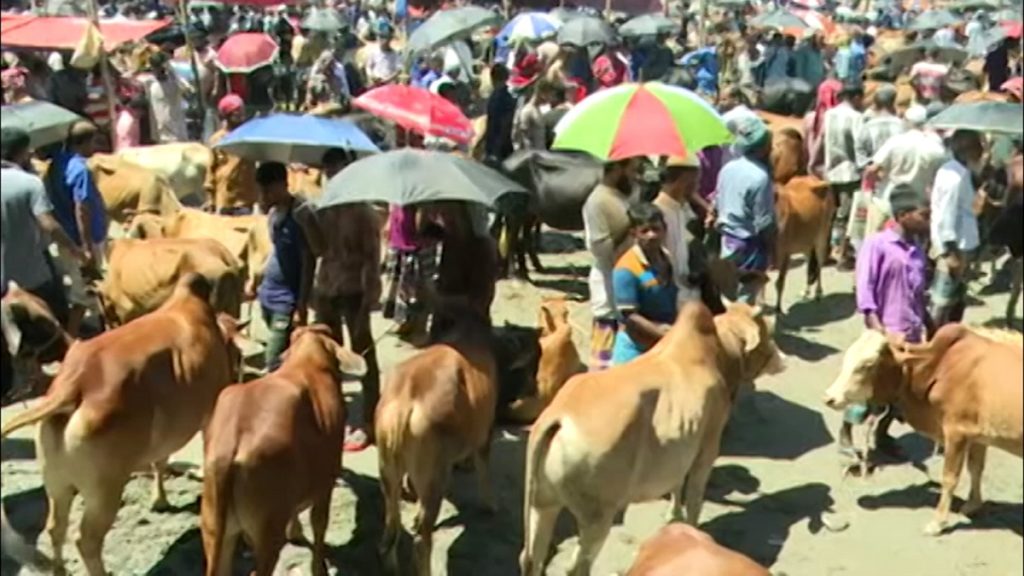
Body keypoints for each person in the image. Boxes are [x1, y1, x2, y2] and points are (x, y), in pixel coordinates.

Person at [844, 184, 931, 458]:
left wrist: (929, 326)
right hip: (885, 332)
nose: (928, 221)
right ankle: (846, 437)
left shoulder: (917, 249)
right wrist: (879, 330)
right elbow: (865, 289)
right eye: (923, 215)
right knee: (868, 390)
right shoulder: (877, 245)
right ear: (903, 215)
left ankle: (882, 435)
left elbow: (918, 294)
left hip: (911, 335)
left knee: (899, 393)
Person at [311, 148, 381, 452]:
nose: (333, 176)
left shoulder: (363, 212)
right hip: (327, 287)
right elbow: (319, 249)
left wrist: (369, 298)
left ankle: (370, 419)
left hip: (355, 290)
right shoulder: (322, 207)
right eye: (328, 172)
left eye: (337, 170)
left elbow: (372, 258)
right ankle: (332, 414)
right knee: (328, 355)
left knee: (362, 355)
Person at [1, 126, 84, 326]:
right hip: (33, 277)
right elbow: (49, 225)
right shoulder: (30, 183)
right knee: (55, 322)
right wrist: (75, 250)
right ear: (21, 152)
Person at [47, 121, 108, 337]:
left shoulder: (56, 164)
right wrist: (87, 247)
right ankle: (71, 338)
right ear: (85, 142)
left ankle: (101, 328)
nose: (95, 148)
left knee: (83, 289)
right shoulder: (80, 169)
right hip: (83, 241)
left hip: (65, 238)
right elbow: (82, 209)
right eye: (94, 142)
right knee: (87, 292)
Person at [255, 162, 315, 372]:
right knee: (285, 356)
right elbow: (276, 250)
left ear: (283, 185)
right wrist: (256, 278)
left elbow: (309, 260)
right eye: (262, 191)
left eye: (269, 191)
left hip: (286, 300)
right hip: (267, 294)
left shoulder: (300, 215)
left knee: (273, 359)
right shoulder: (274, 214)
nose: (264, 196)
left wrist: (302, 304)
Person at [583, 158, 637, 371]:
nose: (634, 175)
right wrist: (628, 225)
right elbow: (601, 251)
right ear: (616, 169)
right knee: (604, 367)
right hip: (608, 289)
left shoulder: (621, 196)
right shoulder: (597, 202)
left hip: (626, 285)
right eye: (632, 170)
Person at [715, 116, 775, 306]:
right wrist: (771, 249)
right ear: (763, 148)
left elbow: (718, 201)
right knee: (746, 297)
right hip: (749, 244)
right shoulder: (761, 177)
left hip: (726, 239)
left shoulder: (727, 168)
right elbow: (764, 222)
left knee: (727, 293)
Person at [611, 203, 678, 366]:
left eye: (656, 229)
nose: (652, 235)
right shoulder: (626, 269)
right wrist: (662, 333)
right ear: (634, 233)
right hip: (636, 349)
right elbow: (630, 316)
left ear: (665, 229)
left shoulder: (666, 258)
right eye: (645, 231)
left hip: (663, 345)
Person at [930, 130, 984, 329]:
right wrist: (949, 252)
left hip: (962, 242)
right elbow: (946, 215)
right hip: (956, 245)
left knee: (956, 296)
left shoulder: (956, 170)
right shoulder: (955, 177)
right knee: (943, 298)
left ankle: (950, 333)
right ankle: (933, 337)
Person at [852, 84, 905, 250]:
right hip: (897, 182)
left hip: (873, 183)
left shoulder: (867, 127)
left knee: (870, 225)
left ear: (875, 103)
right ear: (893, 103)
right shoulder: (902, 126)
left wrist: (873, 169)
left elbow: (860, 155)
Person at [823, 80, 865, 269]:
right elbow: (859, 146)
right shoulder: (856, 117)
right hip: (850, 172)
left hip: (830, 170)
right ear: (855, 97)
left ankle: (826, 251)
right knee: (846, 215)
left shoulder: (829, 114)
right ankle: (841, 254)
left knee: (831, 214)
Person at [652, 156, 702, 307]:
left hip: (687, 292)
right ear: (683, 181)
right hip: (669, 298)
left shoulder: (679, 208)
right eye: (694, 182)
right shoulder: (657, 213)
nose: (697, 187)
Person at [205, 94, 258, 215]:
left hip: (244, 200)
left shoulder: (249, 137)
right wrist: (210, 201)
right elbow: (210, 172)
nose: (241, 116)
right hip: (224, 199)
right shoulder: (217, 140)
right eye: (236, 113)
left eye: (242, 112)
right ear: (227, 115)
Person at [137, 51, 188, 143]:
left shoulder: (175, 82)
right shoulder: (149, 82)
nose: (158, 70)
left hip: (176, 131)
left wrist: (171, 69)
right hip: (159, 132)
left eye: (160, 67)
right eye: (155, 67)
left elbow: (187, 88)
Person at [484, 63, 516, 164]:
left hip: (497, 146)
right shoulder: (508, 98)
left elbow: (503, 124)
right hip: (500, 144)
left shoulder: (498, 98)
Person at [512, 79, 553, 152]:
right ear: (541, 93)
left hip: (540, 153)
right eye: (548, 94)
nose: (549, 98)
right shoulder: (527, 111)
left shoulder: (538, 110)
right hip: (532, 155)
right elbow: (523, 138)